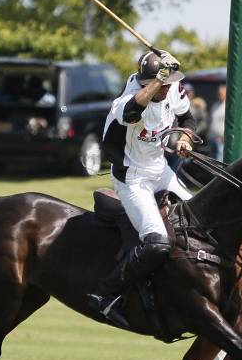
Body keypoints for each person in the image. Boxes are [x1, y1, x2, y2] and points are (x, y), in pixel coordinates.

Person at [87, 50, 195, 327]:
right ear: (144, 81)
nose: (165, 90)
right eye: (159, 85)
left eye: (169, 84)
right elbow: (135, 110)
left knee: (200, 219)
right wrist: (158, 81)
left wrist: (184, 138)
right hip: (132, 178)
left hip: (162, 172)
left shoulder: (172, 88)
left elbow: (188, 119)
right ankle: (104, 294)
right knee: (157, 242)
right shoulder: (128, 100)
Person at [207, 85, 226, 161]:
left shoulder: (228, 106)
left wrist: (224, 137)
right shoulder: (215, 105)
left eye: (222, 93)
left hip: (221, 140)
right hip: (211, 138)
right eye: (219, 93)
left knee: (219, 162)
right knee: (211, 162)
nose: (220, 95)